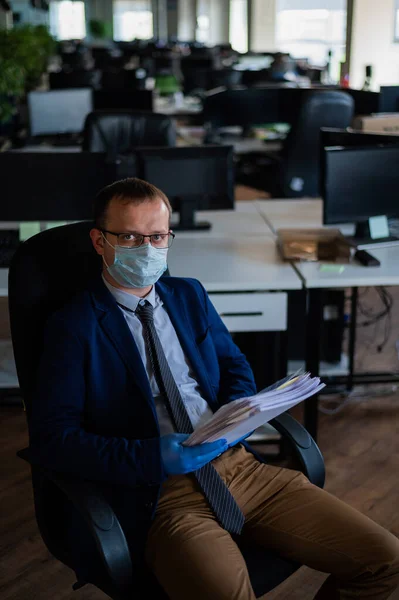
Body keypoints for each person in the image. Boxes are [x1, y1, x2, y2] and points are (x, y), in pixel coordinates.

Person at [29, 178, 399, 600]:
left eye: (157, 236)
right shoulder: (73, 325)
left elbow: (232, 363)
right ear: (99, 241)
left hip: (239, 466)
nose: (146, 248)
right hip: (161, 494)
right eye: (129, 236)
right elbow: (54, 441)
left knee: (385, 559)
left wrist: (237, 411)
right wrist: (154, 456)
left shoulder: (188, 295)